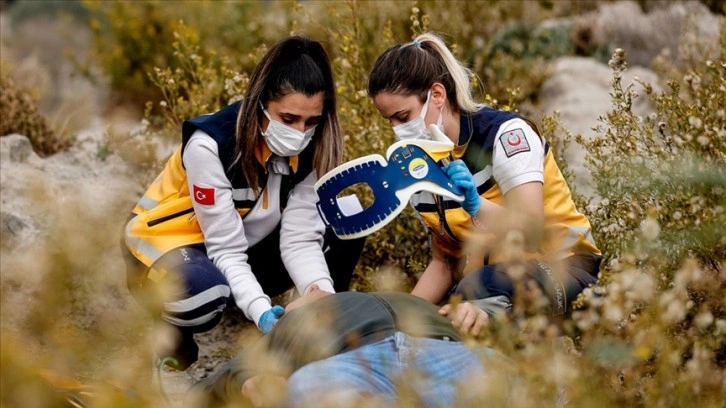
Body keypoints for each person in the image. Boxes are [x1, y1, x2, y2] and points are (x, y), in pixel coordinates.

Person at [121, 35, 365, 369]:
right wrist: (262, 313)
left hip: (241, 249)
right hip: (164, 250)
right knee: (201, 291)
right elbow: (225, 249)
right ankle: (173, 352)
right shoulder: (211, 146)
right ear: (260, 103)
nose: (300, 133)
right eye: (288, 118)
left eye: (312, 122)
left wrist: (317, 292)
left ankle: (302, 343)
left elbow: (300, 239)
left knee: (346, 213)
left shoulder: (313, 147)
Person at [366, 32, 602, 321]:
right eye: (389, 120)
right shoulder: (420, 168)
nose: (397, 130)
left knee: (475, 292)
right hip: (489, 284)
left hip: (564, 270)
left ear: (437, 95)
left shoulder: (506, 135)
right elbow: (445, 263)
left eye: (403, 116)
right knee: (444, 315)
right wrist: (400, 318)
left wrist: (476, 205)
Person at [185, 286, 499, 408]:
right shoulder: (289, 330)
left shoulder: (412, 300)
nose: (314, 289)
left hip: (441, 349)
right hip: (354, 364)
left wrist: (482, 311)